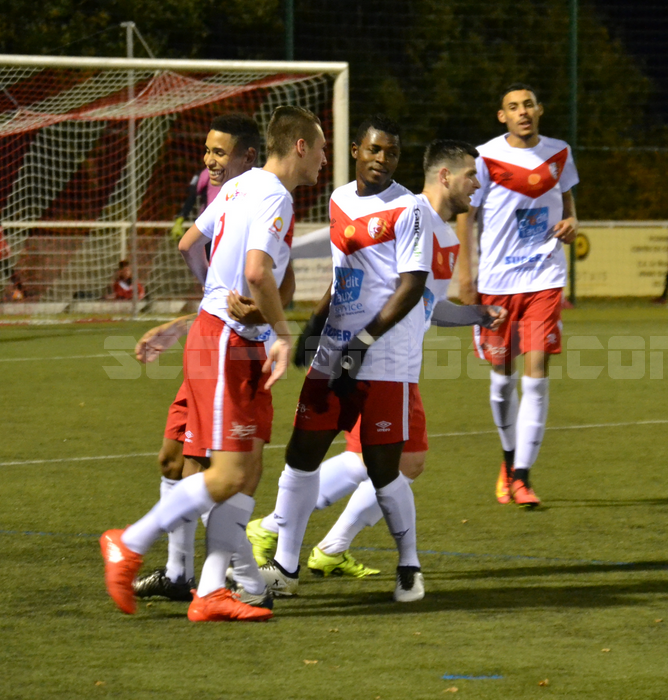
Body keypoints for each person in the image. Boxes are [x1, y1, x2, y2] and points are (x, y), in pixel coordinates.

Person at [99, 105, 327, 622]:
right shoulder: (273, 196)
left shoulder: (237, 186)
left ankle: (210, 591)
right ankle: (129, 542)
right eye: (319, 147)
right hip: (228, 343)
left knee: (238, 471)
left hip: (223, 336)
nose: (323, 158)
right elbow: (256, 273)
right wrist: (282, 334)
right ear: (298, 147)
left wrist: (211, 295)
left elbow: (189, 244)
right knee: (226, 474)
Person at [247, 140, 505, 580]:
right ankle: (299, 536)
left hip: (392, 361)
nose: (477, 187)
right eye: (471, 177)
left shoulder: (443, 235)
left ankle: (296, 536)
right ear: (445, 176)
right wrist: (322, 328)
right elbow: (359, 280)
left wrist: (477, 314)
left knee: (384, 459)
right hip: (373, 360)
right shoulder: (405, 214)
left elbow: (426, 306)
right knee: (403, 461)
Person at [254, 115, 432, 603]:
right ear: (356, 149)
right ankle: (285, 568)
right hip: (333, 353)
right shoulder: (337, 200)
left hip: (382, 359)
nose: (381, 159)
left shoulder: (410, 207)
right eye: (374, 150)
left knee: (381, 469)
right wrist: (316, 325)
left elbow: (412, 284)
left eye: (391, 153)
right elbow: (343, 272)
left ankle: (410, 566)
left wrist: (367, 341)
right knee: (300, 455)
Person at [454, 83, 579, 509]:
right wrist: (467, 277)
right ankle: (508, 463)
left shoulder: (560, 152)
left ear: (540, 110)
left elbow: (566, 197)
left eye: (528, 104)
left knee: (537, 374)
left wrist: (572, 221)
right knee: (501, 380)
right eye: (513, 107)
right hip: (496, 283)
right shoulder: (485, 156)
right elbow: (466, 215)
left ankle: (523, 477)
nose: (522, 111)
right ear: (501, 115)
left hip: (544, 277)